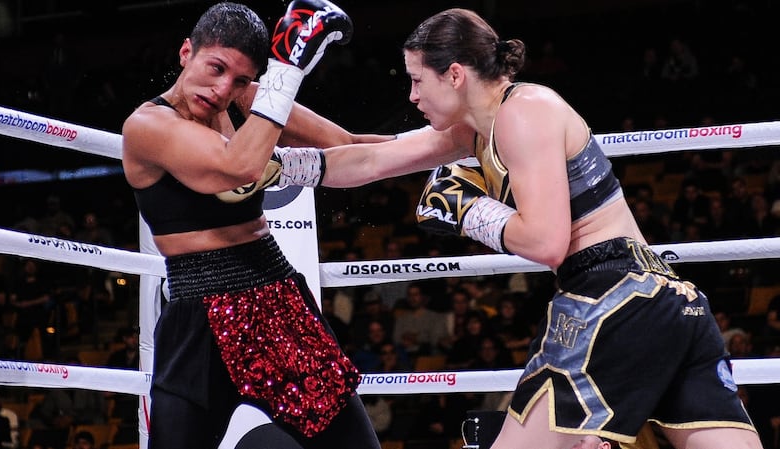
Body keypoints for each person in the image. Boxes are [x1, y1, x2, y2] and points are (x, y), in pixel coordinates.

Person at [262, 7, 761, 448]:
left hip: (612, 299)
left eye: (417, 80)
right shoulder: (480, 126)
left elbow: (546, 242)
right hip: (665, 302)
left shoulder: (524, 113)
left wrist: (467, 209)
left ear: (454, 74)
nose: (411, 94)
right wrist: (268, 142)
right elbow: (368, 157)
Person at [120, 2, 390, 449]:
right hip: (198, 312)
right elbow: (239, 165)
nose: (223, 88)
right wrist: (287, 72)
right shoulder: (147, 125)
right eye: (216, 68)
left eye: (242, 80)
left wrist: (457, 144)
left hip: (274, 297)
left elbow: (345, 147)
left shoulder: (249, 99)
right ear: (186, 52)